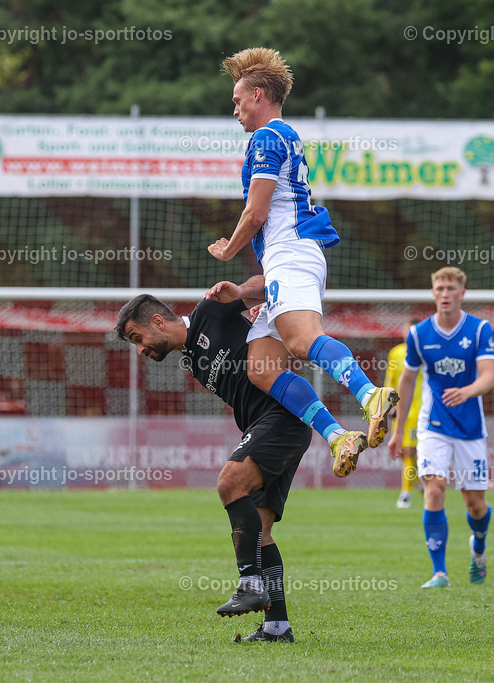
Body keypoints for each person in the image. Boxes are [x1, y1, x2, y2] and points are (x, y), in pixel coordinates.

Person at [207, 47, 397, 478]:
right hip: (288, 259)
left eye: (237, 100)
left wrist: (228, 249)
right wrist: (242, 290)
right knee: (261, 368)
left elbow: (255, 213)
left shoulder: (267, 137)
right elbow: (270, 230)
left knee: (300, 341)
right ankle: (338, 437)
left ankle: (370, 396)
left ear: (258, 95)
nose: (234, 109)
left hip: (293, 253)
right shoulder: (283, 136)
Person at [116, 289, 310, 643]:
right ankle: (276, 627)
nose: (141, 350)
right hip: (269, 426)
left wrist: (242, 293)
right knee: (261, 533)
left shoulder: (210, 310)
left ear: (157, 321)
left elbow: (271, 280)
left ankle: (249, 583)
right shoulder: (191, 360)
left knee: (229, 483)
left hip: (281, 417)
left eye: (138, 338)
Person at [387, 267, 494, 588]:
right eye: (439, 288)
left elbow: (489, 375)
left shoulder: (479, 330)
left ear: (462, 293)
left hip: (471, 426)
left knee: (474, 504)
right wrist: (397, 431)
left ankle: (478, 546)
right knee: (434, 489)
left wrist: (468, 390)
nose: (445, 294)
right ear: (433, 293)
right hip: (432, 424)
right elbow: (406, 381)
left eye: (451, 288)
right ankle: (439, 573)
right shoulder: (420, 334)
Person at [383, 321, 423, 509]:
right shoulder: (396, 353)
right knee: (401, 451)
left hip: (420, 411)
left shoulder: (426, 352)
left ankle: (406, 493)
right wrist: (388, 405)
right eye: (406, 329)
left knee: (410, 451)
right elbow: (391, 380)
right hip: (401, 410)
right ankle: (417, 483)